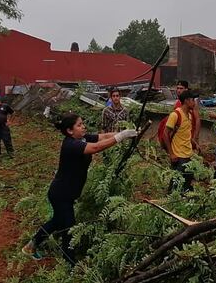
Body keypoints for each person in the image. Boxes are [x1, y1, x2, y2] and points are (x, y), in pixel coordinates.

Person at [22, 114, 137, 264]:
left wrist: (128, 132)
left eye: (83, 123)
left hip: (66, 193)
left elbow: (103, 137)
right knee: (70, 228)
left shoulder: (82, 138)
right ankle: (70, 263)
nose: (83, 126)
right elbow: (96, 147)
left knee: (57, 221)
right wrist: (121, 137)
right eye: (79, 125)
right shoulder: (71, 144)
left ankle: (31, 246)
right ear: (70, 131)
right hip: (61, 194)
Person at [165, 90, 199, 192]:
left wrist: (195, 143)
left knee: (187, 184)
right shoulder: (175, 115)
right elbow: (165, 134)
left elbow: (186, 134)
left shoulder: (189, 115)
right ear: (187, 101)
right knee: (176, 184)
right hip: (178, 156)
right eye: (193, 100)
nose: (194, 103)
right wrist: (171, 154)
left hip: (188, 155)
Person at [174, 80, 200, 149]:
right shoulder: (177, 103)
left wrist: (195, 137)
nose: (179, 90)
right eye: (178, 88)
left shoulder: (192, 103)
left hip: (190, 132)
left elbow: (197, 119)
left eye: (181, 88)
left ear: (186, 89)